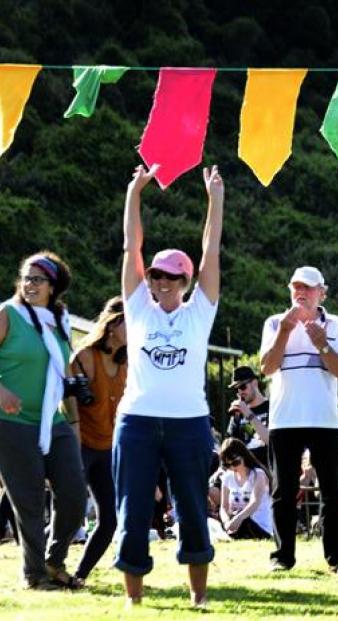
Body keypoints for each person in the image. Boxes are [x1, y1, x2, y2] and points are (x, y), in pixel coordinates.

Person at [114, 163, 222, 608]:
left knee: (194, 510)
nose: (161, 282)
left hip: (188, 424)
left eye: (172, 277)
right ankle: (134, 600)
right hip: (137, 421)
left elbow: (211, 250)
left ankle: (198, 596)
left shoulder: (200, 310)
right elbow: (130, 246)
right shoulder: (138, 306)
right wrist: (134, 191)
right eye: (156, 275)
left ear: (187, 281)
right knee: (133, 511)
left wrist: (215, 199)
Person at [260, 265, 338, 574]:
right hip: (284, 419)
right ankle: (282, 557)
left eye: (309, 288)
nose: (301, 293)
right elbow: (267, 368)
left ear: (322, 293)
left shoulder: (335, 324)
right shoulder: (275, 323)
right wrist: (286, 331)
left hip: (324, 419)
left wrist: (322, 343)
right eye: (296, 287)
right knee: (283, 492)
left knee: (333, 492)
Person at [0, 252, 86, 590]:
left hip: (54, 422)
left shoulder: (60, 321)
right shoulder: (8, 314)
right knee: (30, 501)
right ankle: (33, 576)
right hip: (12, 423)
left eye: (38, 279)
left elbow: (63, 375)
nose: (29, 284)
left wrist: (74, 423)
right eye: (25, 277)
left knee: (75, 496)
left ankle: (53, 562)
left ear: (54, 286)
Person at [71, 296, 127, 584]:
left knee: (110, 519)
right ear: (112, 323)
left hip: (108, 448)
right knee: (69, 512)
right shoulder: (84, 357)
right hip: (79, 444)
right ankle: (46, 566)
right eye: (128, 320)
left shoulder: (129, 362)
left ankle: (80, 575)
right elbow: (67, 403)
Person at [218, 438, 273, 540]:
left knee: (243, 520)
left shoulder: (258, 475)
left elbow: (254, 503)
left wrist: (238, 519)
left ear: (244, 457)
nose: (232, 468)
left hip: (260, 526)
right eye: (227, 465)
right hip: (236, 524)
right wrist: (226, 522)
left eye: (235, 463)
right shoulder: (227, 477)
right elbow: (223, 507)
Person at [225, 365, 269, 465]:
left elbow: (273, 442)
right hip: (244, 471)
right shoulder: (239, 412)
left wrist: (248, 414)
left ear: (255, 383)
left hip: (266, 469)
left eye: (242, 386)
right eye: (236, 389)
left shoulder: (271, 408)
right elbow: (230, 447)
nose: (240, 392)